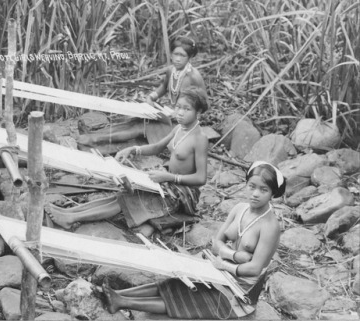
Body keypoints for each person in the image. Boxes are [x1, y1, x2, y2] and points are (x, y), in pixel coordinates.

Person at [98, 161, 286, 319]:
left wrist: (225, 265)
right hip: (220, 267)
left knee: (193, 298)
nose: (255, 193)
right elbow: (216, 243)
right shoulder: (240, 209)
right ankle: (119, 294)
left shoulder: (270, 227)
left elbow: (253, 268)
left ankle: (122, 302)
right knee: (179, 281)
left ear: (272, 194)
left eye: (263, 190)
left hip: (241, 289)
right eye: (252, 187)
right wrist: (234, 256)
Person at [48, 87, 209, 229]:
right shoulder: (179, 129)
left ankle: (72, 218)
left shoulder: (200, 139)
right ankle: (67, 212)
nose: (180, 112)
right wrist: (133, 149)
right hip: (166, 182)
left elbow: (201, 178)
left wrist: (169, 177)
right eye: (178, 107)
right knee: (122, 194)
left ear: (198, 113)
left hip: (181, 194)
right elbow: (157, 147)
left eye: (186, 109)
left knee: (129, 200)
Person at [77, 36, 205, 146]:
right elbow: (163, 87)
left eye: (182, 55)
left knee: (141, 127)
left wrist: (184, 114)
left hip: (181, 123)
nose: (177, 59)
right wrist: (151, 98)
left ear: (189, 58)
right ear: (171, 54)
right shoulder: (171, 70)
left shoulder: (194, 76)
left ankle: (95, 139)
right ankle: (93, 135)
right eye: (175, 54)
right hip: (168, 115)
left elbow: (204, 104)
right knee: (136, 120)